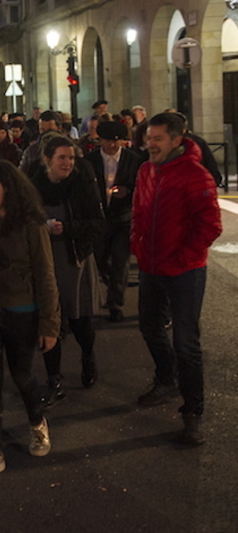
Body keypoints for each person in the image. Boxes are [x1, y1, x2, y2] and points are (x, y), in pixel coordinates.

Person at [0, 159, 60, 482]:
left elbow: (45, 274)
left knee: (21, 374)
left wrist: (49, 323)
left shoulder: (31, 223)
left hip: (21, 309)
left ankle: (37, 423)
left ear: (8, 188)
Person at [131, 113, 221, 445]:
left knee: (186, 342)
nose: (150, 144)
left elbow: (210, 225)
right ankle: (165, 380)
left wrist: (182, 258)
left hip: (186, 270)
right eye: (148, 138)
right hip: (152, 266)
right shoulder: (145, 171)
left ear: (176, 140)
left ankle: (192, 412)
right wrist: (137, 246)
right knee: (149, 326)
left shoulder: (196, 175)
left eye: (157, 139)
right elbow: (139, 213)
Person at [31, 136, 105, 406]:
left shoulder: (81, 184)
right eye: (62, 157)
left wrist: (67, 227)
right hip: (44, 262)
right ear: (47, 159)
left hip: (73, 260)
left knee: (79, 320)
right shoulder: (33, 184)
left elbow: (98, 223)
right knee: (50, 320)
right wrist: (41, 225)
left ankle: (88, 356)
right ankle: (54, 379)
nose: (68, 163)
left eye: (71, 158)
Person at [85, 122, 143, 322]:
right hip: (99, 219)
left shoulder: (133, 160)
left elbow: (141, 186)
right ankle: (112, 288)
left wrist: (128, 191)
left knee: (121, 262)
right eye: (109, 140)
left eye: (117, 140)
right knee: (99, 260)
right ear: (100, 140)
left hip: (122, 219)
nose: (113, 145)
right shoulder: (90, 161)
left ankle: (115, 303)